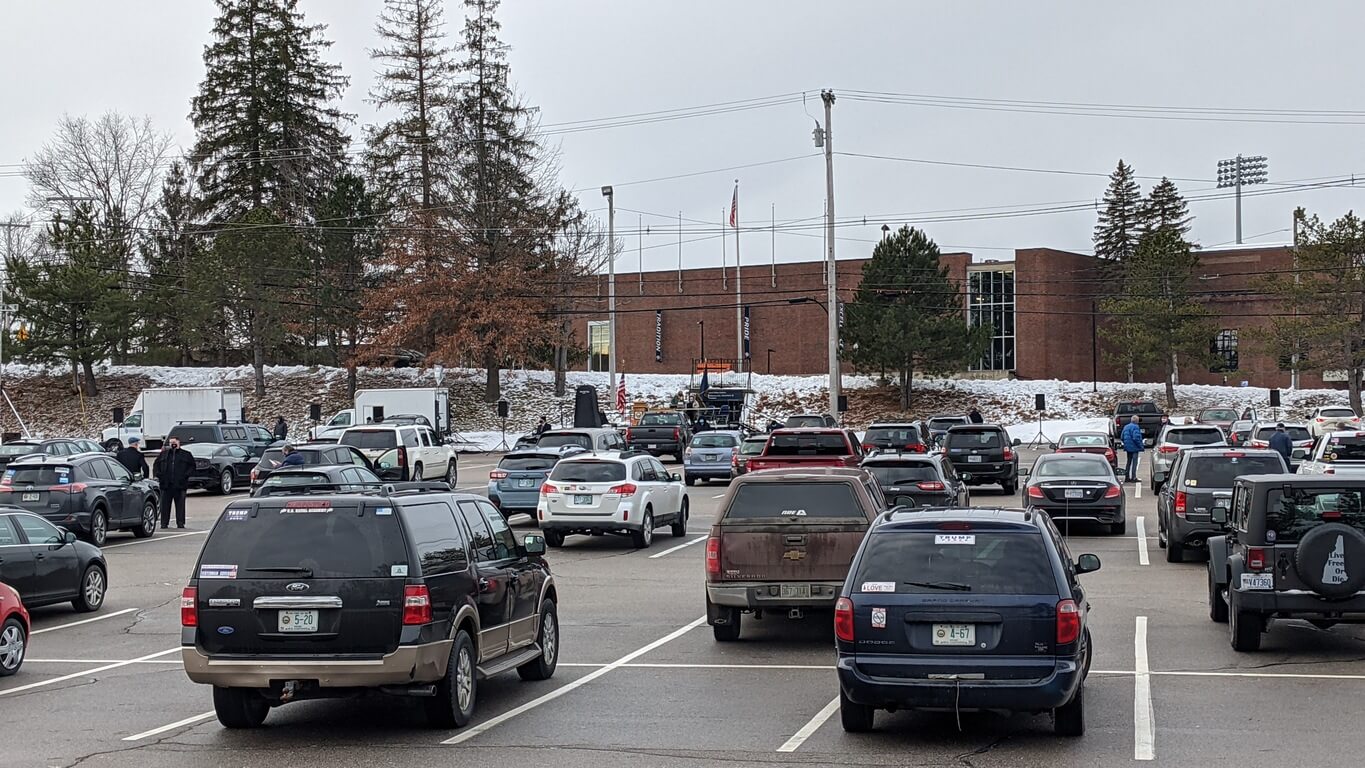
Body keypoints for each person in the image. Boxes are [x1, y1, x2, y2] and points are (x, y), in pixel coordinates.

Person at [153, 438, 195, 529]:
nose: (173, 444)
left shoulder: (186, 455)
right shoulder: (164, 454)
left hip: (180, 485)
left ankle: (180, 523)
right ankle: (164, 523)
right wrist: (159, 475)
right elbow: (156, 465)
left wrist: (185, 476)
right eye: (171, 443)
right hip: (166, 485)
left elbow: (192, 467)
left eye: (174, 442)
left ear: (179, 443)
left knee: (180, 505)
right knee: (165, 505)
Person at [1120, 415, 1145, 483]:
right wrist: (1141, 446)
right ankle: (1133, 477)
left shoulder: (1126, 426)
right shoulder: (1136, 427)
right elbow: (1136, 438)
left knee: (1128, 462)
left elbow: (1122, 437)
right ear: (1137, 421)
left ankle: (1127, 477)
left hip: (1128, 447)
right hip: (1134, 448)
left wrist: (1126, 443)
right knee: (1134, 463)